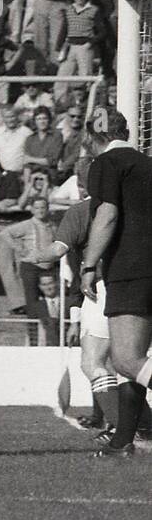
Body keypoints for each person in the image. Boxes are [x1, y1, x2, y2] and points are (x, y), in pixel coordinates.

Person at [79, 110, 152, 456]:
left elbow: (107, 215)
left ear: (96, 134)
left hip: (132, 266)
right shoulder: (145, 163)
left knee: (123, 360)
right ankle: (123, 441)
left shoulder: (107, 164)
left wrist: (88, 264)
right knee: (137, 360)